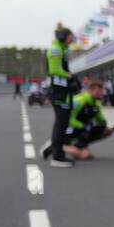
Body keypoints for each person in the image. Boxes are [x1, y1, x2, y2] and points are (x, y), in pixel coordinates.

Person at [42, 79, 114, 162]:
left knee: (108, 130)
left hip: (82, 131)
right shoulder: (79, 101)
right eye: (97, 91)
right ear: (90, 90)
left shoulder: (96, 103)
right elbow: (65, 118)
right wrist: (81, 125)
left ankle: (80, 146)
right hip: (70, 132)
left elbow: (101, 120)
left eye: (101, 91)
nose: (100, 93)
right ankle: (55, 145)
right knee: (85, 155)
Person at [44, 27, 77, 168]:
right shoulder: (56, 49)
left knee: (62, 123)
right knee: (61, 123)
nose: (72, 39)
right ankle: (57, 157)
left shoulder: (61, 48)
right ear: (63, 36)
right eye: (70, 37)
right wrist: (70, 76)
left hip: (62, 91)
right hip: (58, 92)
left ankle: (54, 149)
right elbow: (54, 70)